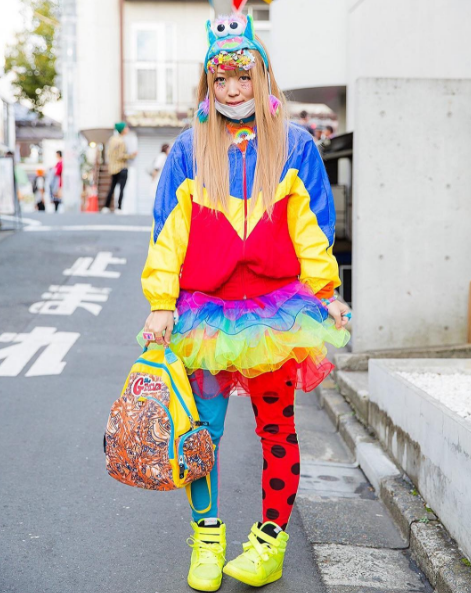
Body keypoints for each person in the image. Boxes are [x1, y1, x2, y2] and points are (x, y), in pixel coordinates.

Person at [141, 13, 350, 592]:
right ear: (207, 86)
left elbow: (315, 231)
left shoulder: (297, 145)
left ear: (263, 77)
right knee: (201, 432)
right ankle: (206, 539)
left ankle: (270, 543)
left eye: (243, 76)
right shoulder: (189, 148)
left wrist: (327, 294)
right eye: (220, 78)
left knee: (277, 428)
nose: (233, 88)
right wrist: (162, 301)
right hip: (204, 317)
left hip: (273, 319)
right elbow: (166, 234)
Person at [102, 122, 137, 212]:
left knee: (112, 188)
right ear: (123, 130)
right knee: (122, 188)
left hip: (113, 168)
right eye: (126, 128)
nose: (127, 129)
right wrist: (131, 155)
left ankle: (106, 206)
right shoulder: (122, 141)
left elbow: (109, 154)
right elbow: (121, 155)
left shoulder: (112, 140)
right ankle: (119, 208)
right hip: (122, 167)